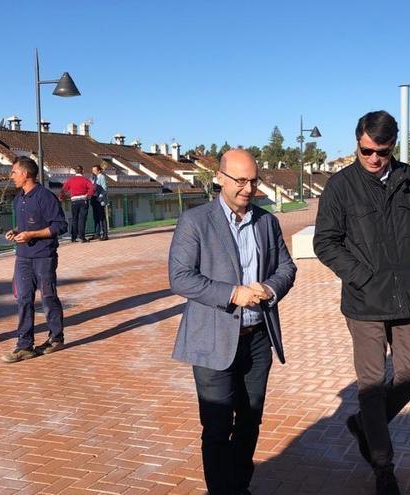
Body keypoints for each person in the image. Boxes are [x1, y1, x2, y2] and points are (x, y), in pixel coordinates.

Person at [313, 110, 410, 495]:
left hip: (405, 297)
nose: (374, 159)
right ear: (357, 143)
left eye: (381, 151)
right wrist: (362, 276)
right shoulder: (340, 186)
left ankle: (365, 424)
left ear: (392, 147)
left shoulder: (408, 178)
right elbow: (325, 242)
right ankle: (383, 466)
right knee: (371, 385)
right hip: (364, 302)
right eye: (367, 151)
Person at [169, 149, 296, 495]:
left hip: (257, 339)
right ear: (220, 179)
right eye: (240, 180)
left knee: (250, 420)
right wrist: (232, 293)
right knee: (217, 426)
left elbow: (287, 268)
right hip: (212, 340)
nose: (248, 188)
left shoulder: (266, 222)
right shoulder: (195, 221)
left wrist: (269, 288)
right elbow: (180, 278)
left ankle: (238, 486)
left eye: (253, 181)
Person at [3, 157, 69, 363]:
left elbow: (60, 226)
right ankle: (24, 345)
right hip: (23, 256)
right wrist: (16, 232)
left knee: (48, 298)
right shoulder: (18, 199)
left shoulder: (45, 197)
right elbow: (25, 228)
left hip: (44, 256)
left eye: (14, 172)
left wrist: (32, 235)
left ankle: (56, 338)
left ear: (26, 174)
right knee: (23, 299)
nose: (11, 176)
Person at [59, 165, 95, 243]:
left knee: (74, 219)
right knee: (82, 219)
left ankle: (73, 237)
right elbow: (92, 188)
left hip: (74, 201)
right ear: (82, 171)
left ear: (75, 171)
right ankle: (82, 237)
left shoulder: (71, 180)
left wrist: (61, 197)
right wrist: (88, 195)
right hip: (83, 200)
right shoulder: (86, 180)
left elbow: (63, 189)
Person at [90, 165, 109, 241]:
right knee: (96, 217)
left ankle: (105, 234)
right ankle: (97, 233)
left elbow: (104, 188)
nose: (93, 171)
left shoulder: (102, 177)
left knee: (102, 217)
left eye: (95, 170)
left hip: (100, 199)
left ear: (99, 170)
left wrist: (100, 197)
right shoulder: (93, 177)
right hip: (94, 198)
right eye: (92, 170)